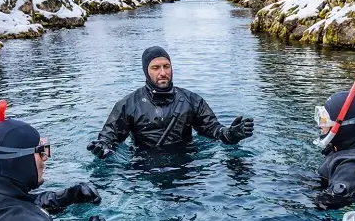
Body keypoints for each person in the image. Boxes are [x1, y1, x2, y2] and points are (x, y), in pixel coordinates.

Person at [87, 46, 254, 157]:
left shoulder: (191, 100)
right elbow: (109, 137)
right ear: (146, 71)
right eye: (155, 68)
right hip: (143, 168)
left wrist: (230, 135)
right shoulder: (129, 104)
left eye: (166, 66)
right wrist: (103, 147)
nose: (163, 72)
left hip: (186, 164)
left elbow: (213, 129)